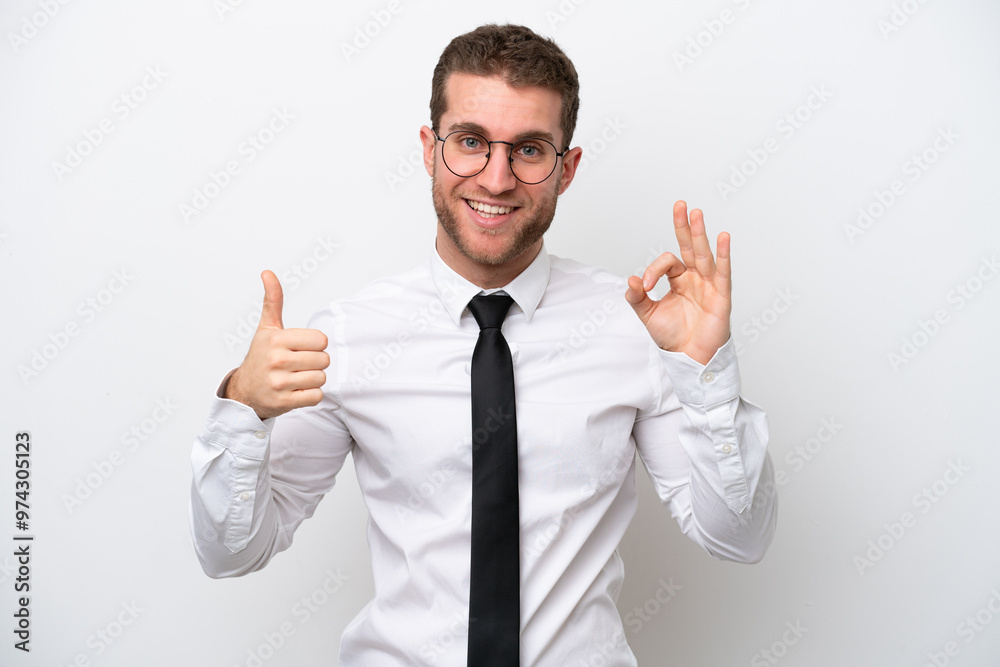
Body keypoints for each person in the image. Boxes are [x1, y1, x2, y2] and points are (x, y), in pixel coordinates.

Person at [189, 23, 777, 666]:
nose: (496, 180)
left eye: (528, 150)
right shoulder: (351, 336)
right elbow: (232, 553)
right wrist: (242, 409)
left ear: (568, 168)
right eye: (470, 142)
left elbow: (738, 539)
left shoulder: (637, 326)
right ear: (428, 148)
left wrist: (704, 375)